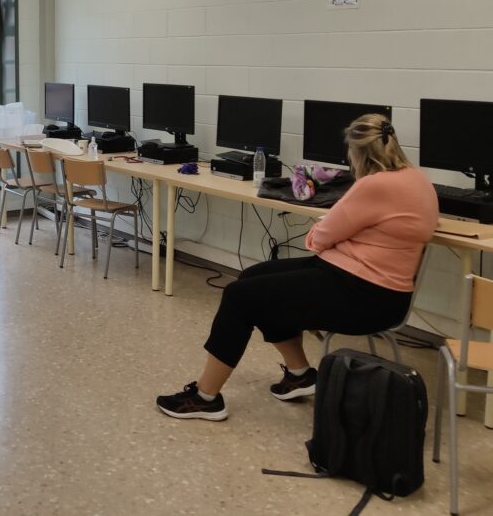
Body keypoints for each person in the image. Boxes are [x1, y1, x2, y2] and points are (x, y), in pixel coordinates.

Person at [156, 114, 438, 421]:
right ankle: (300, 374)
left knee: (240, 296)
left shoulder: (375, 185)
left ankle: (205, 397)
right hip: (370, 285)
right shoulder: (417, 179)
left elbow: (318, 239)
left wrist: (332, 233)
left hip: (365, 294)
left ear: (358, 152)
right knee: (253, 277)